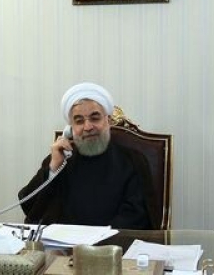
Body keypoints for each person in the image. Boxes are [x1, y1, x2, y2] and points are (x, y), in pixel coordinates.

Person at [18, 82, 153, 229]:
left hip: (112, 241)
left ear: (108, 121)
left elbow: (137, 215)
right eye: (79, 121)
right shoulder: (61, 159)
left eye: (95, 118)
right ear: (71, 128)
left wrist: (100, 238)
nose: (88, 127)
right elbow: (28, 205)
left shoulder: (133, 160)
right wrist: (52, 169)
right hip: (65, 242)